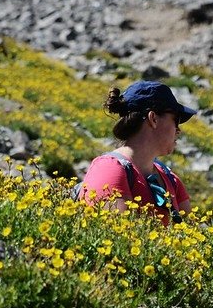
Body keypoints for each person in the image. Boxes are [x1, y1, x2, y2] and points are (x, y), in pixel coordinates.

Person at [80, 80, 196, 226]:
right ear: (153, 118)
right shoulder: (109, 169)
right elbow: (118, 238)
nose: (178, 130)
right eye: (176, 120)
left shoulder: (171, 179)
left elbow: (192, 238)